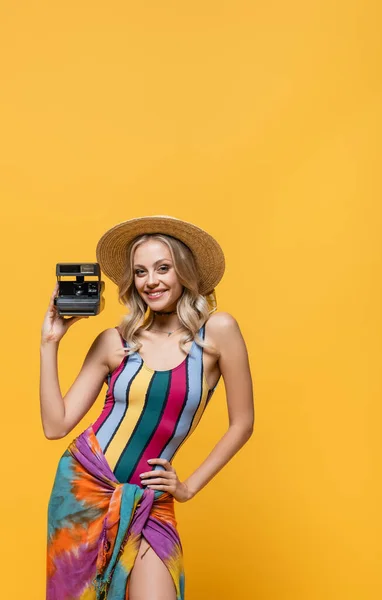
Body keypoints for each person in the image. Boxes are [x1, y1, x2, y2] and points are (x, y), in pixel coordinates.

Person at [41, 215, 254, 600]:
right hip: (83, 489)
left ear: (184, 272)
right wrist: (50, 343)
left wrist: (188, 487)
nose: (150, 281)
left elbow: (243, 423)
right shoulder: (116, 341)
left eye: (162, 268)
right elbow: (56, 425)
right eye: (140, 272)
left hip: (150, 501)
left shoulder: (217, 332)